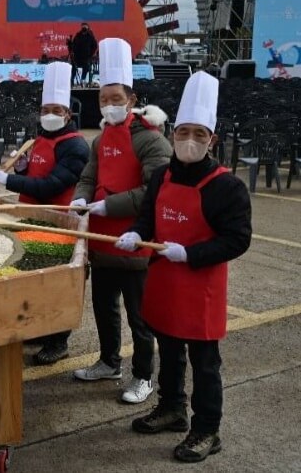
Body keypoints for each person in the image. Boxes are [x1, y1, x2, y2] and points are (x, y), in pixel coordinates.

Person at [116, 72, 251, 463]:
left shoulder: (227, 187)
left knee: (205, 364)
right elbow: (147, 218)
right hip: (164, 282)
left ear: (212, 139)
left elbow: (237, 240)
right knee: (169, 351)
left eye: (199, 134)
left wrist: (190, 254)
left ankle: (207, 429)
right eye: (183, 132)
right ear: (173, 134)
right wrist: (135, 234)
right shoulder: (163, 175)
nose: (189, 141)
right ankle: (171, 408)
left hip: (200, 289)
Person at [69, 38, 172, 404]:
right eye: (103, 98)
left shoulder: (150, 139)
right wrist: (81, 197)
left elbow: (153, 190)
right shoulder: (100, 139)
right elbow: (88, 175)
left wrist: (107, 206)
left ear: (131, 98)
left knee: (140, 319)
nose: (109, 105)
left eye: (116, 98)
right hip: (102, 242)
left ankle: (143, 376)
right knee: (104, 308)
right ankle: (109, 361)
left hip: (136, 243)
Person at [0, 62, 89, 365]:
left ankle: (59, 341)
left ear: (68, 115)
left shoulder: (76, 146)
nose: (50, 115)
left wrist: (10, 180)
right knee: (34, 275)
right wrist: (21, 167)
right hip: (30, 216)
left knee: (57, 282)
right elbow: (37, 170)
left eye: (57, 110)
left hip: (57, 220)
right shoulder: (40, 138)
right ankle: (41, 330)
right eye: (46, 109)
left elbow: (52, 185)